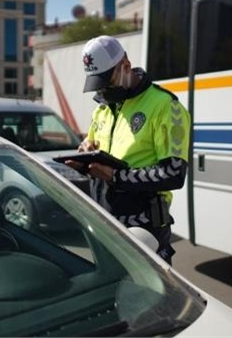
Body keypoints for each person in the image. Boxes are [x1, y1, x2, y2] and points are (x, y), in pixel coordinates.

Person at [66, 35, 191, 264]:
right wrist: (85, 154)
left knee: (150, 297)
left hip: (144, 230)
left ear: (125, 65)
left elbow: (174, 175)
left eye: (106, 80)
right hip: (105, 224)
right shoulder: (102, 110)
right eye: (97, 82)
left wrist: (115, 176)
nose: (102, 90)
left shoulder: (166, 106)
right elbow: (95, 151)